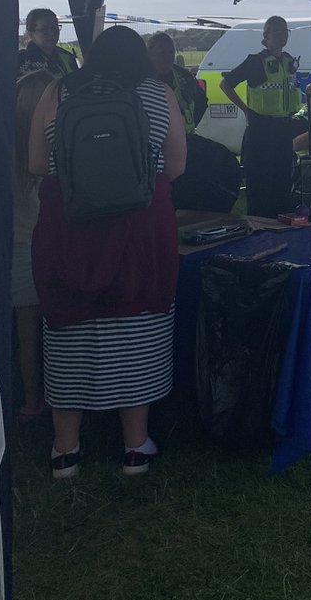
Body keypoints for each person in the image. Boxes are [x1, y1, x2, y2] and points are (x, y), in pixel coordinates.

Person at [29, 25, 186, 477]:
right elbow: (176, 166)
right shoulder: (158, 94)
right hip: (139, 228)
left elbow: (38, 164)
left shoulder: (58, 91)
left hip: (69, 228)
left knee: (69, 321)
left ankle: (66, 449)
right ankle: (135, 445)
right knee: (136, 317)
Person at [220, 16, 303, 218]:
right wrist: (245, 109)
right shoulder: (255, 62)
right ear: (265, 36)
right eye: (277, 32)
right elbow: (225, 84)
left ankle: (282, 223)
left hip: (283, 129)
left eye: (285, 32)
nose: (282, 36)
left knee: (282, 181)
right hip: (261, 131)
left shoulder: (289, 61)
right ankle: (259, 226)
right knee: (260, 184)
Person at [12, 69, 54, 422]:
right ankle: (34, 400)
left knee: (25, 333)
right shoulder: (42, 147)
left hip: (16, 245)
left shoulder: (4, 147)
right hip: (34, 245)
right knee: (35, 332)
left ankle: (29, 399)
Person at [146, 31, 207, 134]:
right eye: (161, 53)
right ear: (148, 54)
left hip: (184, 138)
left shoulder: (183, 76)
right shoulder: (139, 78)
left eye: (171, 52)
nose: (167, 57)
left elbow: (202, 101)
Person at [17, 7, 79, 79]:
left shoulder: (67, 57)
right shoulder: (23, 63)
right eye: (44, 29)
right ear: (31, 34)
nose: (52, 33)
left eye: (54, 28)